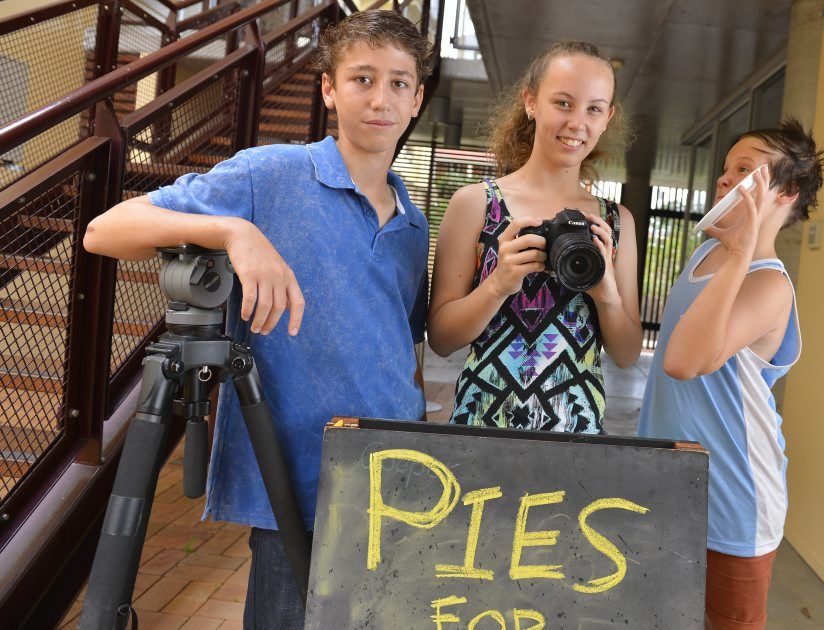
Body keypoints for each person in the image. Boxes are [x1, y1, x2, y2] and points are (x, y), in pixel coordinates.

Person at [83, 10, 432, 629]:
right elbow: (104, 231)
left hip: (392, 477)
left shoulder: (412, 219)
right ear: (328, 89)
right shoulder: (270, 174)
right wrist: (232, 228)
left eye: (399, 83)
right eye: (362, 79)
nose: (382, 99)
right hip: (292, 476)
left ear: (417, 98)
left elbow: (401, 344)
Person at [636, 118, 824, 630]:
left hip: (731, 502)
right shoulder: (706, 255)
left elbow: (682, 362)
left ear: (785, 192)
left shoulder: (769, 286)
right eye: (725, 169)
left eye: (744, 170)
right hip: (668, 487)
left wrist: (743, 251)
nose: (724, 180)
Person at [427, 41, 642, 434]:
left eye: (594, 108)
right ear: (531, 102)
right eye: (563, 103)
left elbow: (627, 354)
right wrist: (497, 285)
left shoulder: (616, 222)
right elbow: (440, 339)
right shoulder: (475, 204)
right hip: (480, 432)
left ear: (607, 117)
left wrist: (607, 296)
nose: (578, 122)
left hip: (577, 444)